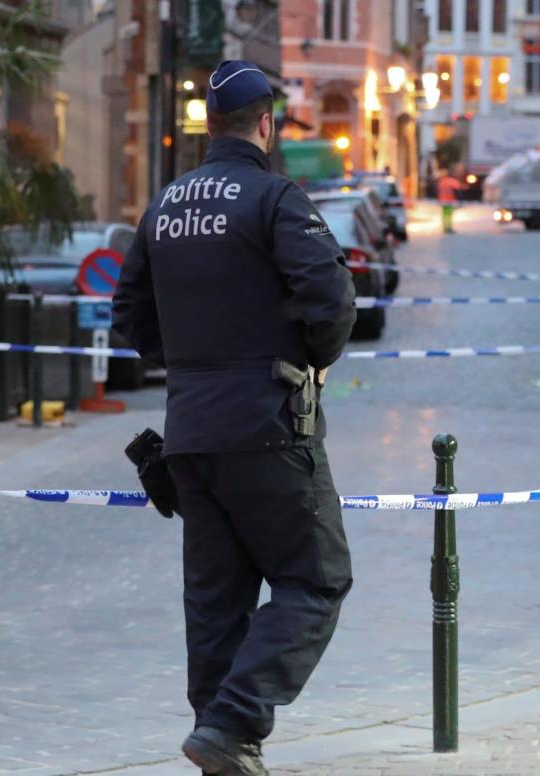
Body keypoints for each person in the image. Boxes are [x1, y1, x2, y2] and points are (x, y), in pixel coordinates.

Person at [112, 60, 357, 776]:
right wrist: (304, 360)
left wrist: (189, 366)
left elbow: (128, 311)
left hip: (190, 430)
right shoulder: (274, 198)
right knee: (315, 578)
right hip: (268, 424)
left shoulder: (166, 205)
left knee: (216, 603)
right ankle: (235, 723)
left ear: (207, 124)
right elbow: (332, 301)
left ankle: (219, 743)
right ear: (266, 125)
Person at [437, 169, 463, 233]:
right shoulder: (454, 182)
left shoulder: (442, 181)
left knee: (444, 214)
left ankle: (445, 227)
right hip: (450, 201)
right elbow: (458, 192)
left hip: (442, 200)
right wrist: (460, 200)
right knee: (449, 215)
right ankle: (448, 227)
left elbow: (437, 191)